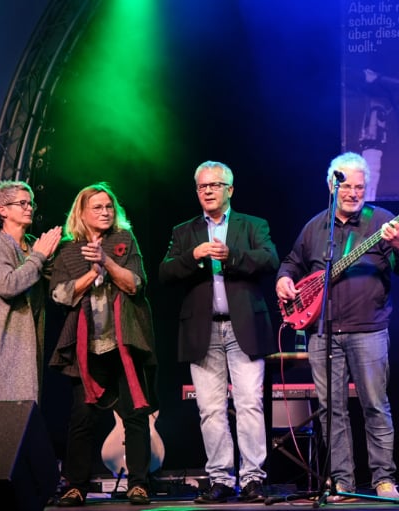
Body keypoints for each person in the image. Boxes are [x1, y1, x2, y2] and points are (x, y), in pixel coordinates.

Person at [275, 151, 399, 501]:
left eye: (360, 186)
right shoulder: (315, 227)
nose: (354, 193)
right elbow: (292, 262)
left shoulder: (382, 220)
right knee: (331, 412)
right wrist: (283, 279)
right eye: (348, 186)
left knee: (374, 405)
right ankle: (342, 481)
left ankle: (384, 479)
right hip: (322, 333)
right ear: (331, 186)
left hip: (369, 330)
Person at [158, 161, 280, 504]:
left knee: (249, 405)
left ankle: (254, 478)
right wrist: (194, 257)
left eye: (215, 185)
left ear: (230, 189)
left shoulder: (253, 225)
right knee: (210, 409)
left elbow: (270, 260)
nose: (208, 191)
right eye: (202, 186)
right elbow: (165, 273)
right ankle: (221, 479)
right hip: (203, 330)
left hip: (244, 327)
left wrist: (232, 256)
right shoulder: (184, 232)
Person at [49, 182, 158, 506]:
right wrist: (90, 272)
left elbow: (137, 284)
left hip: (125, 343)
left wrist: (107, 263)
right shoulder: (68, 250)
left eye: (109, 206)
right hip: (87, 348)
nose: (105, 211)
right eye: (97, 207)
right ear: (81, 213)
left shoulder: (125, 240)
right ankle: (76, 486)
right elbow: (60, 295)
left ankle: (138, 484)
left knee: (136, 415)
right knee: (81, 417)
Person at [0, 180, 62, 402]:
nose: (29, 207)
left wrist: (48, 257)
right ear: (3, 210)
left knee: (24, 417)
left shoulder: (32, 246)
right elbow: (7, 285)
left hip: (27, 345)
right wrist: (39, 257)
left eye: (31, 204)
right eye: (22, 203)